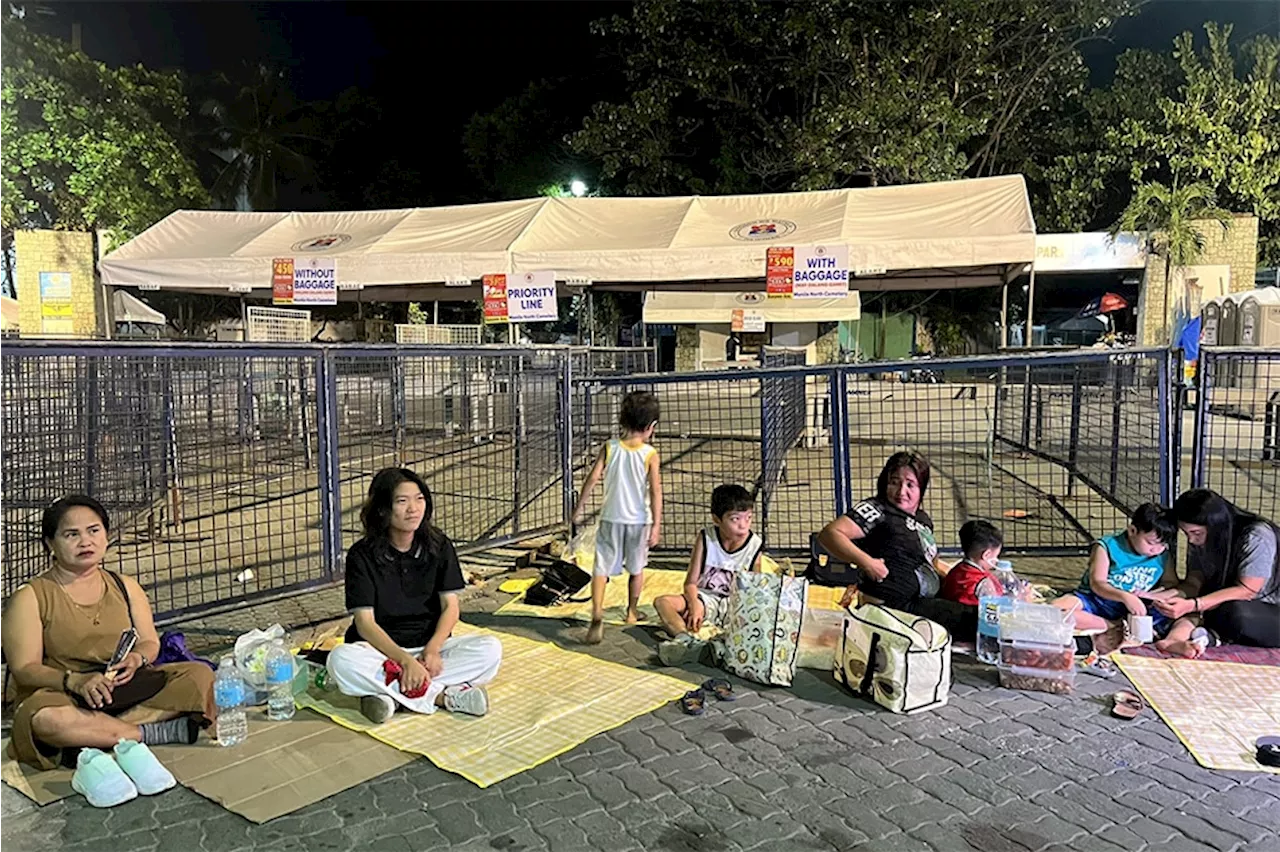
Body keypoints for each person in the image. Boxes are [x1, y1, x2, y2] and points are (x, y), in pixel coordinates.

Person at [3, 496, 214, 803]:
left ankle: (93, 737)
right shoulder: (31, 596)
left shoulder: (125, 585)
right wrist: (74, 681)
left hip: (121, 684)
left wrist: (137, 658)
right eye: (71, 534)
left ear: (106, 536)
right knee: (47, 720)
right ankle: (144, 734)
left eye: (93, 531)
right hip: (63, 690)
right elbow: (25, 668)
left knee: (199, 676)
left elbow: (150, 642)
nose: (85, 541)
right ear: (50, 543)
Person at [326, 468, 502, 723]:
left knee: (490, 650)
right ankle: (444, 696)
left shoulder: (438, 545)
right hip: (381, 652)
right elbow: (365, 624)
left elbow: (451, 608)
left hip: (429, 652)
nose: (413, 508)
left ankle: (390, 696)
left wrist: (432, 649)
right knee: (341, 661)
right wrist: (405, 661)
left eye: (419, 499)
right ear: (382, 509)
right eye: (402, 501)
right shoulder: (361, 555)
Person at [817, 452, 968, 634]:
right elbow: (830, 534)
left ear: (921, 488)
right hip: (892, 609)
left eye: (910, 485)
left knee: (979, 608)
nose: (901, 492)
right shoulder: (877, 509)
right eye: (894, 482)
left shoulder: (923, 520)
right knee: (972, 620)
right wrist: (867, 563)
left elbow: (932, 563)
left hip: (922, 600)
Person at [572, 390, 663, 645]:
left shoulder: (610, 447)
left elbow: (592, 478)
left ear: (622, 421)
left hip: (611, 517)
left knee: (601, 569)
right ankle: (631, 612)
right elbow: (656, 491)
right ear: (651, 427)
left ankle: (597, 613)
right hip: (638, 521)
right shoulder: (649, 454)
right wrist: (656, 524)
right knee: (637, 569)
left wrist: (579, 508)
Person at [1153, 489, 1280, 657]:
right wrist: (1175, 595)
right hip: (1225, 602)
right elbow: (1195, 580)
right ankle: (1177, 640)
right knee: (1201, 604)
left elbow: (1247, 590)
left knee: (1234, 613)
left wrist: (1194, 604)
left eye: (1196, 533)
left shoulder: (1256, 536)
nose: (1191, 540)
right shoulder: (1201, 541)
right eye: (1186, 533)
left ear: (1215, 525)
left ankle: (1212, 636)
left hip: (1265, 607)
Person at [654, 484, 764, 666]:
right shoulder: (706, 538)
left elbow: (754, 590)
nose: (743, 525)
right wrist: (694, 603)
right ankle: (686, 641)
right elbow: (690, 583)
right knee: (662, 602)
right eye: (735, 519)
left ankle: (720, 647)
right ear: (717, 519)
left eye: (749, 518)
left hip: (735, 604)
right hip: (706, 600)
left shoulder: (754, 545)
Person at [1050, 503, 1177, 641]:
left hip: (1137, 608)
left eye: (1163, 545)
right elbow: (1098, 583)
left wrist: (1152, 595)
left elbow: (1171, 584)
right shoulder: (1107, 546)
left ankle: (1132, 628)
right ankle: (1115, 626)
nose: (1157, 550)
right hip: (1096, 600)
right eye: (1151, 543)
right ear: (1132, 531)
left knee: (1176, 608)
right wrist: (1125, 596)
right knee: (1056, 610)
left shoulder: (1163, 555)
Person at [939, 520, 1005, 607]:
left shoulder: (955, 571)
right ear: (986, 555)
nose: (996, 560)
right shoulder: (983, 584)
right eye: (996, 556)